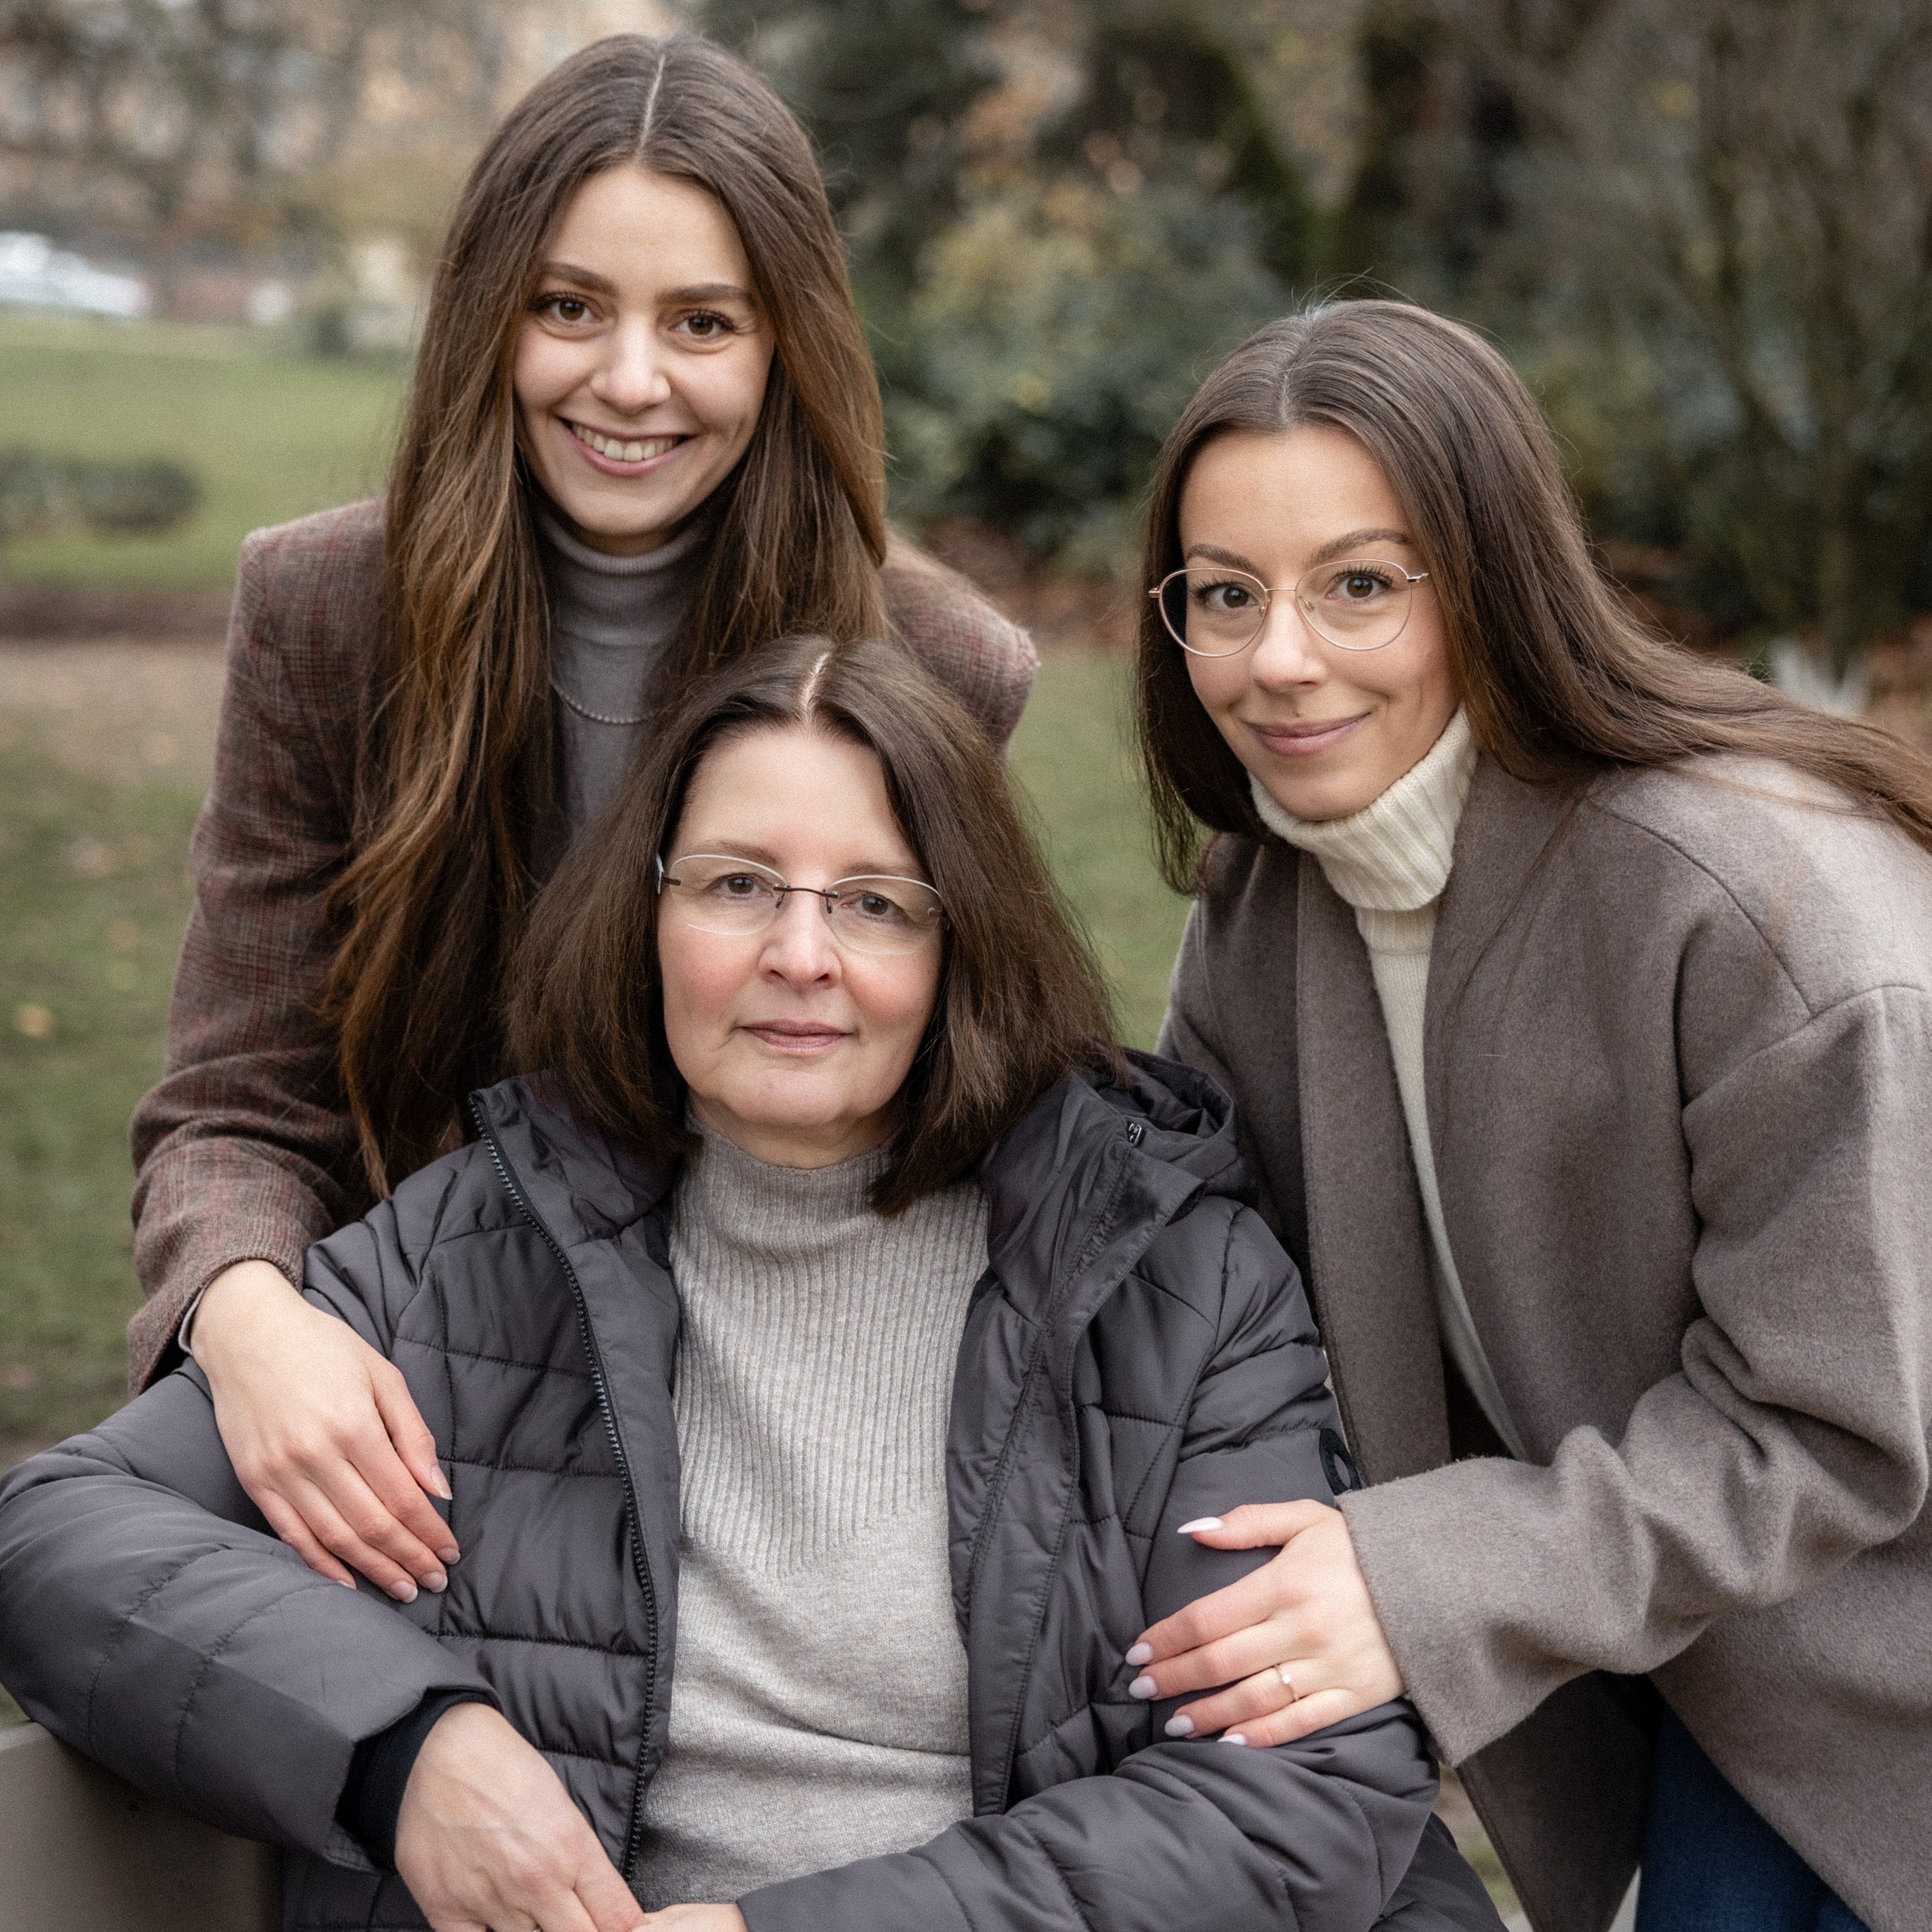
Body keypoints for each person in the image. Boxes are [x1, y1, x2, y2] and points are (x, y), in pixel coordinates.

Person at [0, 635, 1502, 1932]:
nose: (799, 953)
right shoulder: (481, 1244)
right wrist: (408, 1747)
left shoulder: (1167, 1265)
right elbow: (59, 1537)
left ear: (958, 940)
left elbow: (1295, 1795)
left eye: (871, 902)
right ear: (646, 913)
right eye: (736, 885)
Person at [128, 33, 1035, 1608]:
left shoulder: (935, 669)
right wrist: (250, 1317)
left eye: (700, 321)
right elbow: (236, 1098)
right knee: (91, 1560)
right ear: (491, 318)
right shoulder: (324, 612)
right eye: (568, 308)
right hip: (408, 1351)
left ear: (783, 344)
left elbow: (955, 1118)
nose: (628, 380)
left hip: (764, 1392)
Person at [1115, 300, 1930, 1932]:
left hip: (1879, 1694)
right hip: (1680, 1668)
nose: (1277, 658)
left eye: (1357, 583)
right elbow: (1174, 1251)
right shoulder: (1267, 906)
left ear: (1485, 579)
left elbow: (1835, 1426)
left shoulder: (1760, 907)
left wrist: (1413, 1573)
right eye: (1223, 594)